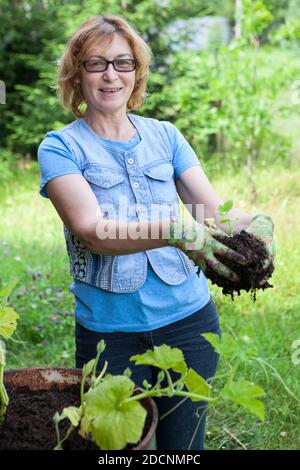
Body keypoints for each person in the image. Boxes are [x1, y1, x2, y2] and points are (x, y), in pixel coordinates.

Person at [37, 15, 275, 450]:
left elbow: (210, 210)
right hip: (110, 334)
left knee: (183, 448)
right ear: (76, 74)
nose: (111, 74)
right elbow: (91, 231)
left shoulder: (166, 136)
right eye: (96, 63)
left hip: (189, 323)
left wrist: (255, 225)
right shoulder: (61, 147)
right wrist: (174, 230)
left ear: (136, 72)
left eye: (123, 63)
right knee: (121, 450)